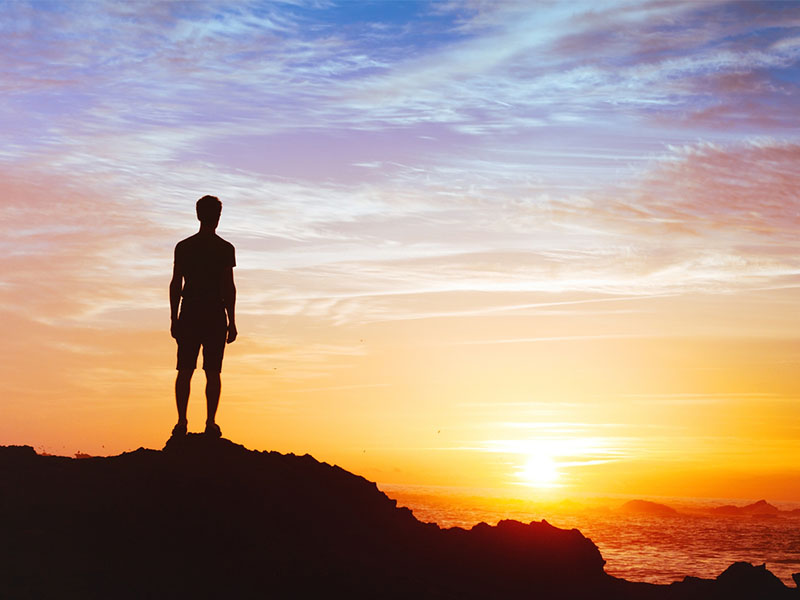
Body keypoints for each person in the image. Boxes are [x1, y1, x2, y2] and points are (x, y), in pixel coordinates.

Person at [169, 195, 237, 438]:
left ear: (198, 215)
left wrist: (174, 318)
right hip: (212, 314)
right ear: (217, 217)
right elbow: (228, 287)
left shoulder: (184, 247)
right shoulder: (224, 249)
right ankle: (209, 422)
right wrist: (232, 321)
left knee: (186, 370)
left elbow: (176, 283)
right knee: (211, 372)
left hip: (191, 312)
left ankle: (182, 423)